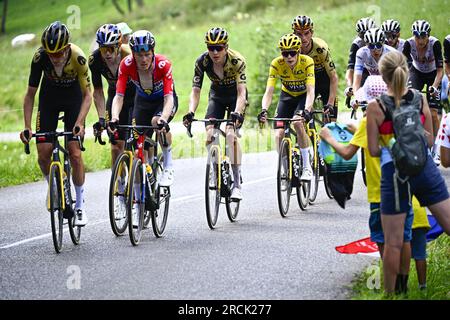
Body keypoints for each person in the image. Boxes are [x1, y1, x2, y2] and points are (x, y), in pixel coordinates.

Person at [366, 50, 450, 295]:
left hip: (394, 173)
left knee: (393, 242)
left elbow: (372, 150)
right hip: (423, 167)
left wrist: (391, 142)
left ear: (383, 76)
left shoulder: (376, 107)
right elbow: (431, 140)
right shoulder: (419, 98)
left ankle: (391, 295)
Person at [320, 76, 414, 290]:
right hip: (404, 186)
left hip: (380, 192)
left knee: (383, 239)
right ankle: (404, 285)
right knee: (404, 237)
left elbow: (346, 153)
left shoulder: (367, 122)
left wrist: (328, 137)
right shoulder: (400, 116)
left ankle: (391, 289)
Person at [19, 21, 92, 226]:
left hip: (73, 99)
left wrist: (79, 123)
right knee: (43, 152)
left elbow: (88, 95)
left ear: (67, 48)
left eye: (59, 53)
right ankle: (52, 186)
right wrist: (27, 126)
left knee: (75, 152)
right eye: (51, 54)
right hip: (49, 99)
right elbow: (30, 95)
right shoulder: (40, 57)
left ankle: (80, 205)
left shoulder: (78, 57)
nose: (55, 58)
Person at [182, 27, 247, 201]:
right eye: (211, 48)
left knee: (231, 135)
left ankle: (237, 184)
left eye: (219, 47)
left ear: (226, 46)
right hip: (217, 96)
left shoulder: (237, 61)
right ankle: (217, 170)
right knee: (210, 134)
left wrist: (237, 113)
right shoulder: (202, 61)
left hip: (235, 97)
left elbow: (242, 93)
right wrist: (190, 111)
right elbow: (196, 91)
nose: (215, 52)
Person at [110, 30, 178, 187]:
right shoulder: (126, 65)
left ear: (153, 51)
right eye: (139, 55)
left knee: (156, 122)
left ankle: (168, 165)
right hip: (142, 102)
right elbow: (119, 96)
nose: (143, 59)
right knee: (137, 147)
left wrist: (163, 119)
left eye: (147, 54)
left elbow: (169, 98)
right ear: (133, 53)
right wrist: (114, 117)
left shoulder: (163, 65)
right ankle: (141, 195)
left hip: (163, 101)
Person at [258, 33, 315, 181]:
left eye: (292, 53)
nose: (289, 57)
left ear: (298, 52)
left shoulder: (307, 61)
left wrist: (308, 110)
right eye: (285, 53)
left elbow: (310, 91)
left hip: (303, 97)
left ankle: (307, 167)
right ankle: (285, 169)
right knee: (278, 134)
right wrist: (264, 110)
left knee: (297, 123)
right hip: (287, 97)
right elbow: (269, 91)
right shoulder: (276, 64)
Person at [89, 24, 135, 169]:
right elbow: (97, 91)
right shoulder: (95, 60)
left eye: (111, 49)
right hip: (114, 96)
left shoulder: (129, 55)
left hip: (135, 96)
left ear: (119, 45)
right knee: (116, 146)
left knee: (137, 143)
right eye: (103, 49)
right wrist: (102, 118)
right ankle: (119, 185)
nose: (107, 54)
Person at [402, 20, 444, 162]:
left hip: (433, 74)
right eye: (417, 36)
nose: (420, 40)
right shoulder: (409, 44)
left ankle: (436, 149)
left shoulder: (435, 44)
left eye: (423, 36)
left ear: (428, 35)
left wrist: (434, 86)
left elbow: (440, 71)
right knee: (412, 102)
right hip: (417, 72)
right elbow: (405, 68)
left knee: (433, 113)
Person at [291, 15, 339, 121]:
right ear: (294, 34)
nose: (303, 38)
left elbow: (334, 77)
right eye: (299, 34)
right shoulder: (291, 50)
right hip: (306, 82)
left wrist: (330, 104)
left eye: (306, 33)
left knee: (331, 124)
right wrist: (307, 104)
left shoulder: (321, 49)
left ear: (312, 33)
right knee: (301, 119)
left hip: (324, 80)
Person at [353, 28, 396, 93]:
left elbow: (398, 77)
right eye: (371, 46)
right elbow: (357, 78)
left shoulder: (392, 53)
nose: (375, 50)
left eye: (378, 45)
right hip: (374, 84)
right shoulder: (361, 53)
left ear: (383, 43)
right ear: (366, 44)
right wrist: (356, 97)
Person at [345, 17, 376, 98]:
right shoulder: (357, 44)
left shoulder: (382, 40)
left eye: (368, 34)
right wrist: (350, 86)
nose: (366, 39)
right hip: (366, 70)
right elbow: (351, 68)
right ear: (358, 34)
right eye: (362, 35)